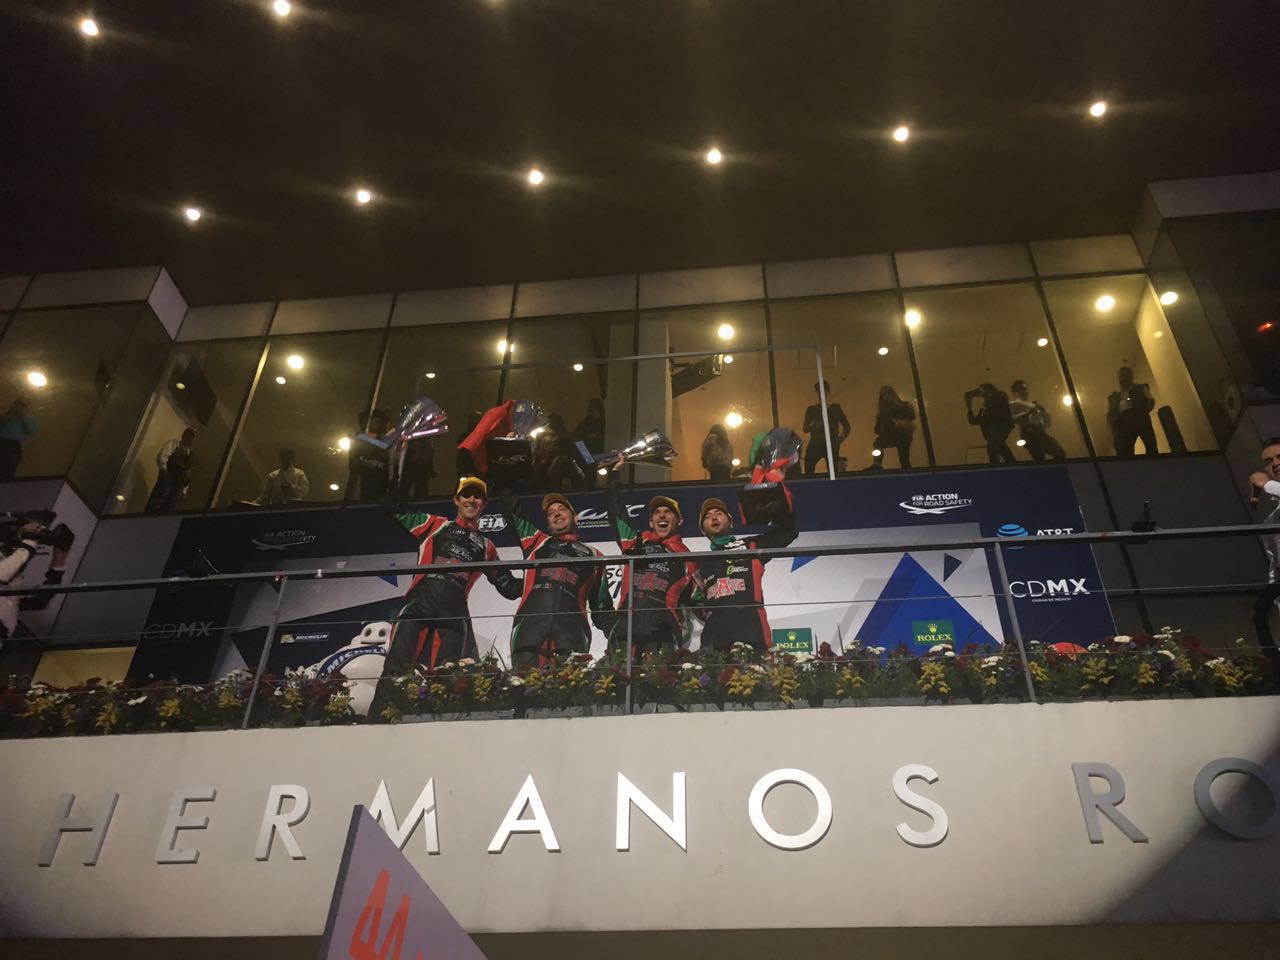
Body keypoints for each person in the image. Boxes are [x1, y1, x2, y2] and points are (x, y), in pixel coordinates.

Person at [370, 476, 522, 713]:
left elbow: (508, 587)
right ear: (456, 500)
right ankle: (378, 721)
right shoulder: (433, 524)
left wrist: (537, 578)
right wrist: (388, 494)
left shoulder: (487, 546)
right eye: (466, 495)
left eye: (478, 496)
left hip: (453, 612)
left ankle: (438, 725)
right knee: (396, 668)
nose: (471, 500)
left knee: (447, 675)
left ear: (483, 504)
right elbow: (395, 510)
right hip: (418, 603)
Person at [500, 492, 614, 668]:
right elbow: (511, 508)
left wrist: (619, 640)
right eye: (550, 513)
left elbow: (602, 608)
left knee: (568, 686)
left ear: (575, 517)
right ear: (548, 523)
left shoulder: (595, 555)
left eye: (562, 509)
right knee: (523, 683)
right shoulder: (536, 541)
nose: (556, 514)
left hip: (573, 632)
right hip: (529, 630)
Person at [605, 459, 696, 659]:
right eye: (657, 512)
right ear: (651, 522)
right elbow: (616, 512)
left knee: (658, 677)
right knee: (616, 676)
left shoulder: (688, 557)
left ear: (679, 520)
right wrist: (614, 476)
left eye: (668, 512)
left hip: (664, 626)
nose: (662, 515)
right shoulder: (633, 542)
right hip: (625, 622)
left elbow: (696, 601)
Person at [694, 492, 797, 653]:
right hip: (714, 637)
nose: (714, 517)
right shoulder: (699, 563)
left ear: (731, 522)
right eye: (707, 516)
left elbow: (788, 532)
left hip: (751, 631)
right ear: (702, 530)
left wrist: (776, 506)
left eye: (719, 513)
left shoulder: (751, 546)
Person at [0, 514, 73, 649]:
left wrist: (58, 562)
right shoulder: (5, 574)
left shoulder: (9, 598)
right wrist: (30, 539)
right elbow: (4, 573)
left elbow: (39, 602)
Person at [1248, 437, 1280, 665]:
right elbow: (1275, 565)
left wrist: (1265, 485)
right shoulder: (1273, 519)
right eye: (1269, 462)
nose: (1275, 464)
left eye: (1279, 457)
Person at [802, 380, 852, 475]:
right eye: (819, 392)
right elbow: (805, 428)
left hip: (830, 442)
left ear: (827, 392)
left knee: (832, 470)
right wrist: (814, 424)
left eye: (823, 392)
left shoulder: (835, 408)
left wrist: (842, 436)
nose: (821, 394)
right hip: (817, 442)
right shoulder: (812, 409)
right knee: (809, 466)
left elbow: (847, 426)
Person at [1010, 380, 1066, 461]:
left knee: (1060, 453)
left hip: (1041, 433)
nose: (1023, 391)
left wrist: (1044, 412)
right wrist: (1027, 414)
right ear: (1014, 393)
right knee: (1040, 458)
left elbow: (1047, 424)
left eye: (1024, 388)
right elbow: (1011, 419)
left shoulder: (1034, 405)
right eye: (1019, 390)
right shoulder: (1013, 405)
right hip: (1029, 434)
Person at [1107, 366, 1157, 456]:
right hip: (1123, 425)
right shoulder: (1112, 398)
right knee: (1125, 450)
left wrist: (1143, 413)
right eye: (1122, 375)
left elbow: (1150, 401)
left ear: (1131, 377)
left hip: (1141, 420)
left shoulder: (1141, 388)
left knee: (1150, 445)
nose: (1124, 378)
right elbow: (1110, 417)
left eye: (1126, 375)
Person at [146, 428, 197, 513]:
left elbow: (189, 473)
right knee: (156, 503)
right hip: (168, 478)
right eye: (190, 435)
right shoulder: (173, 444)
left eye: (194, 437)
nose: (192, 439)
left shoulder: (191, 455)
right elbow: (163, 456)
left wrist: (184, 490)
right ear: (184, 435)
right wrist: (163, 468)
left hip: (178, 485)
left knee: (169, 508)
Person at [964, 383, 1016, 464]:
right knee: (1003, 450)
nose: (980, 394)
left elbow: (997, 402)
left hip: (999, 427)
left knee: (992, 448)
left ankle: (995, 468)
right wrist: (969, 406)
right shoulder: (984, 410)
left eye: (982, 390)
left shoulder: (1000, 396)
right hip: (992, 435)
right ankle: (1014, 466)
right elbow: (973, 421)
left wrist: (979, 393)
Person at [869, 386, 915, 470]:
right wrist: (882, 421)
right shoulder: (883, 412)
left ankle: (906, 470)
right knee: (878, 444)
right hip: (893, 434)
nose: (884, 397)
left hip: (902, 434)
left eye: (886, 394)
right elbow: (877, 430)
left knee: (903, 456)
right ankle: (877, 465)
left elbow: (911, 418)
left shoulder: (904, 406)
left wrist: (896, 422)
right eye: (882, 395)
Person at [0, 396, 38, 481]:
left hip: (14, 447)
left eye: (24, 405)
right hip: (1, 441)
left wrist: (24, 417)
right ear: (14, 404)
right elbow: (2, 421)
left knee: (7, 471)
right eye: (19, 404)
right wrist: (9, 413)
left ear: (28, 407)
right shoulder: (7, 414)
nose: (21, 406)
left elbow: (33, 432)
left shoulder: (31, 419)